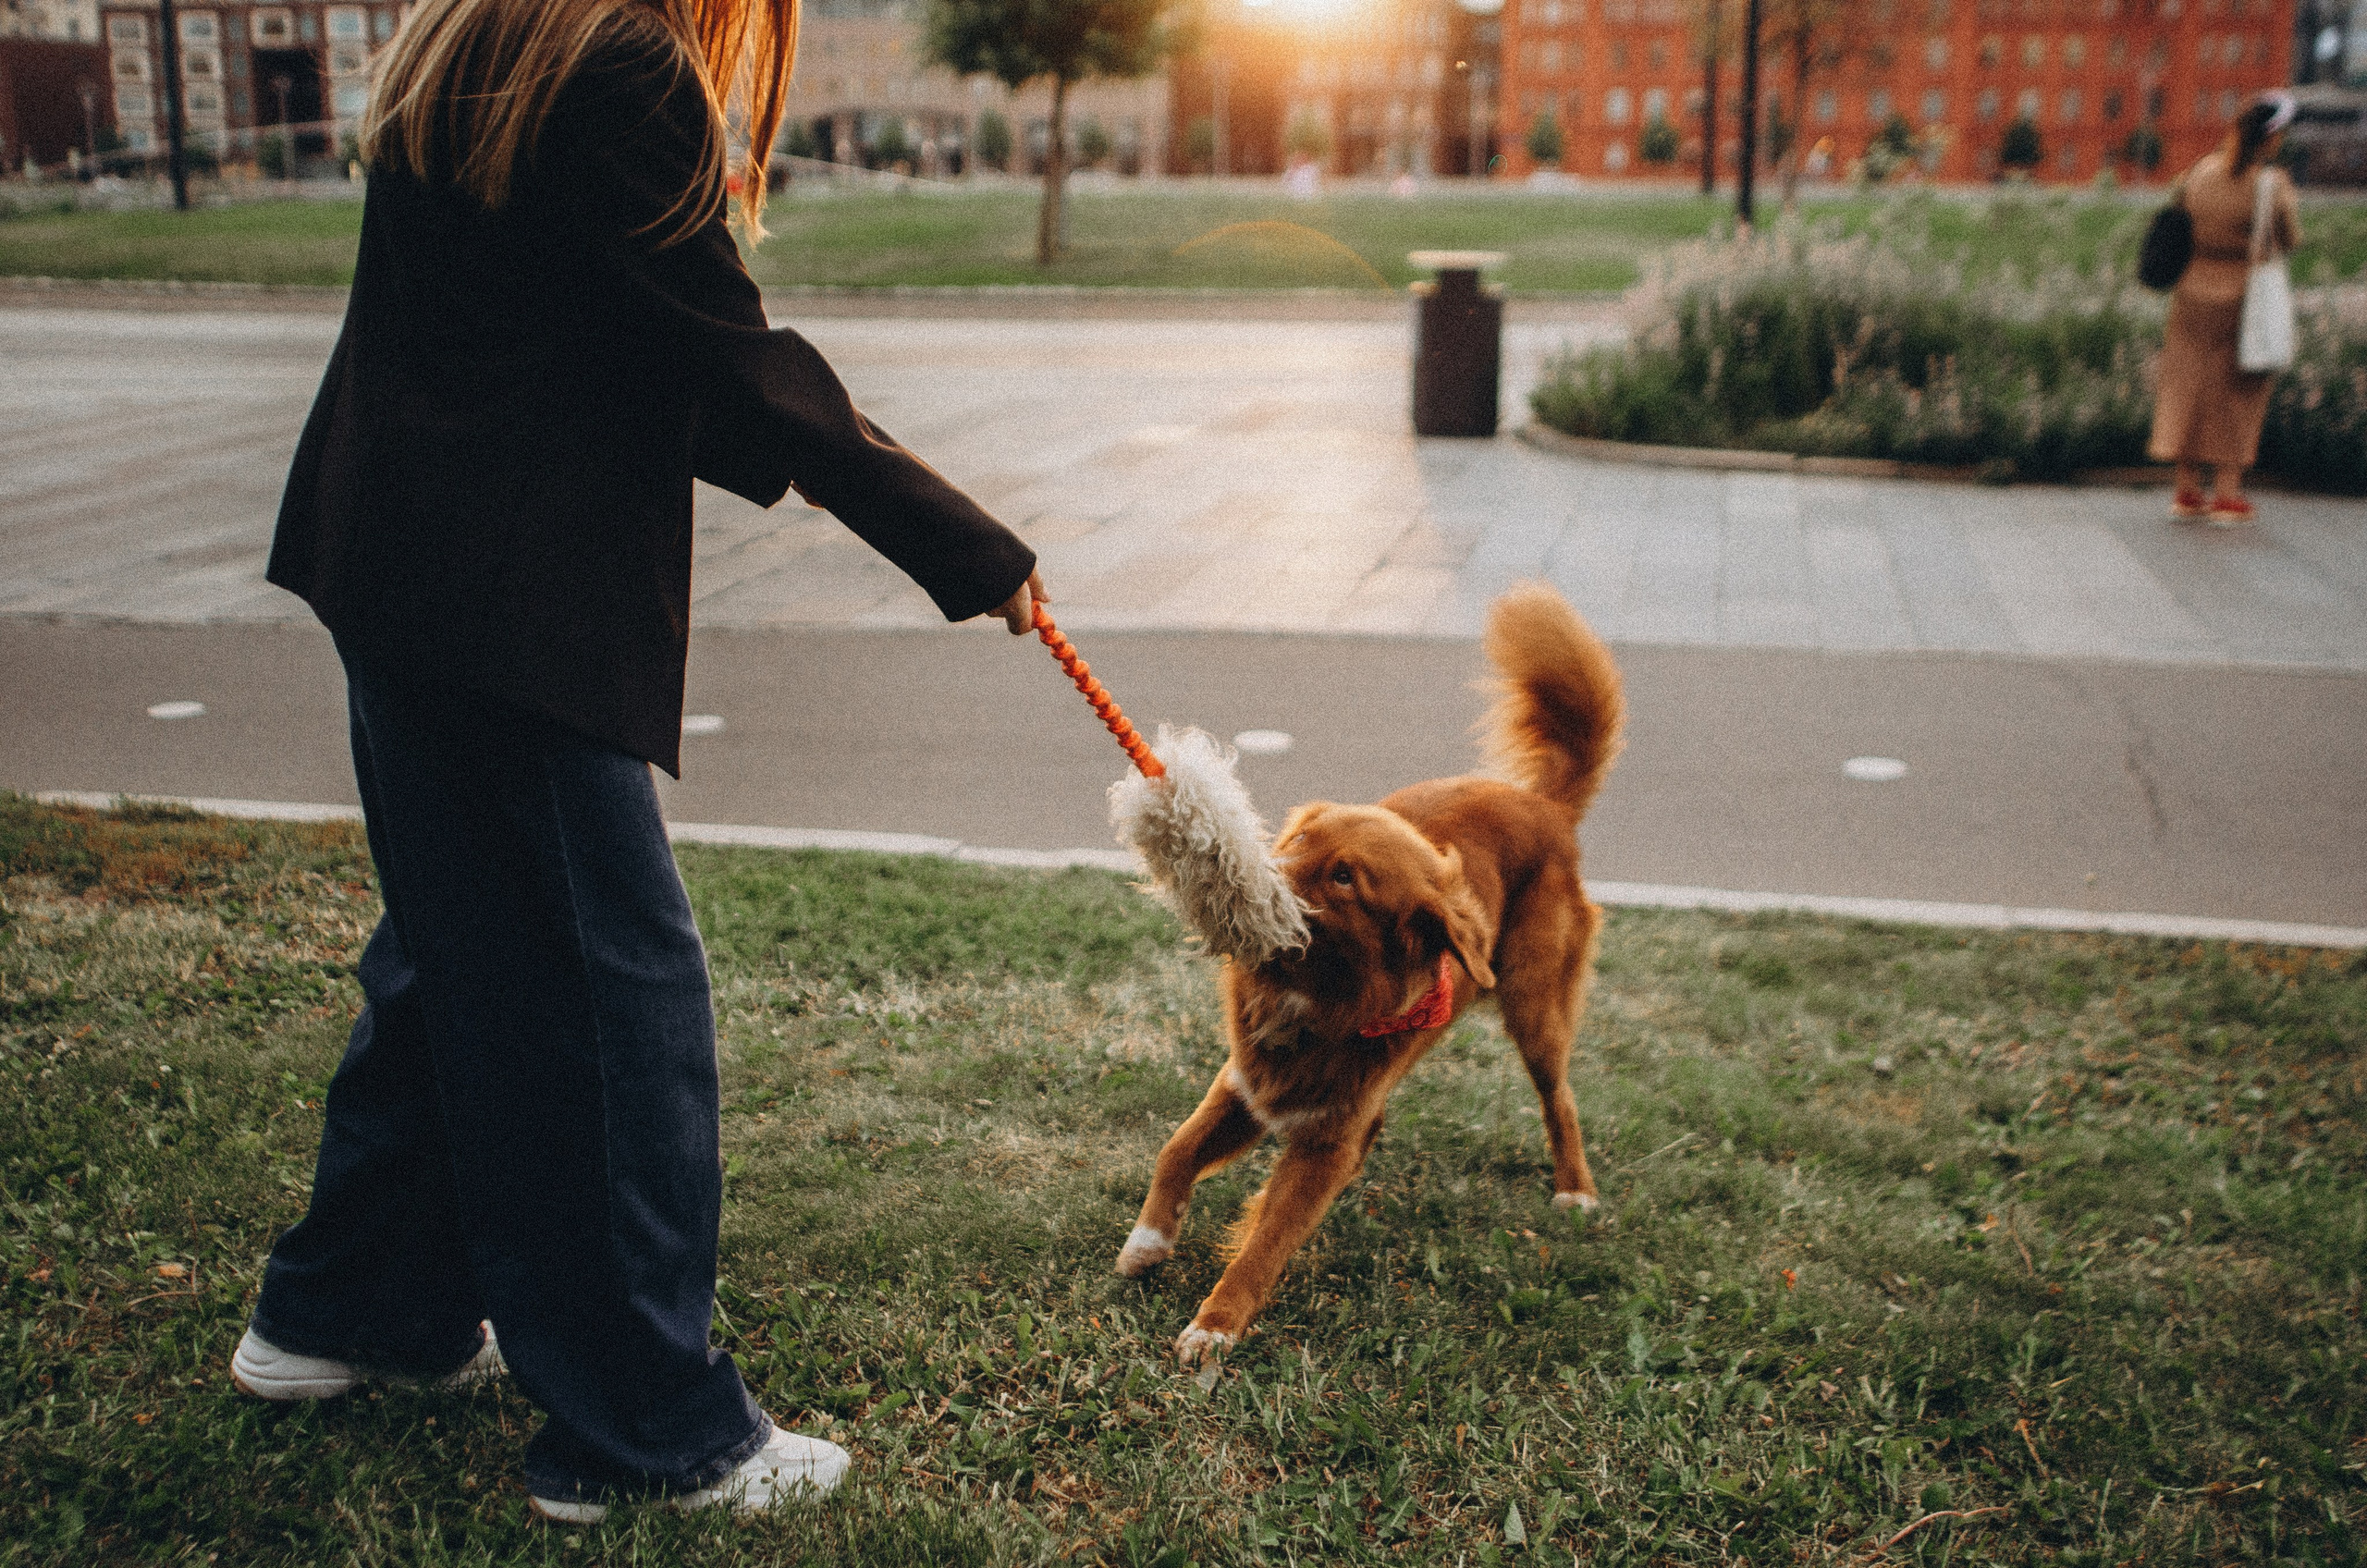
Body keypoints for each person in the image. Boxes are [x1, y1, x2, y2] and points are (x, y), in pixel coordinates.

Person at [228, 0, 1046, 1525]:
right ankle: (648, 1426)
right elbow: (732, 357)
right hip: (501, 599)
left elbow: (586, 317)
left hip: (399, 556)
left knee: (460, 954)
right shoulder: (618, 62)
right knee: (613, 996)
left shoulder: (484, 31)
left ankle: (344, 1311)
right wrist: (965, 546)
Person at [2149, 92, 2301, 527]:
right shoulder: (2270, 184)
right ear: (2272, 139)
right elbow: (2290, 239)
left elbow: (2179, 217)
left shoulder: (2201, 171)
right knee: (2238, 391)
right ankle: (2228, 495)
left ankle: (2186, 489)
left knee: (2186, 383)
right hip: (2242, 296)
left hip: (2191, 291)